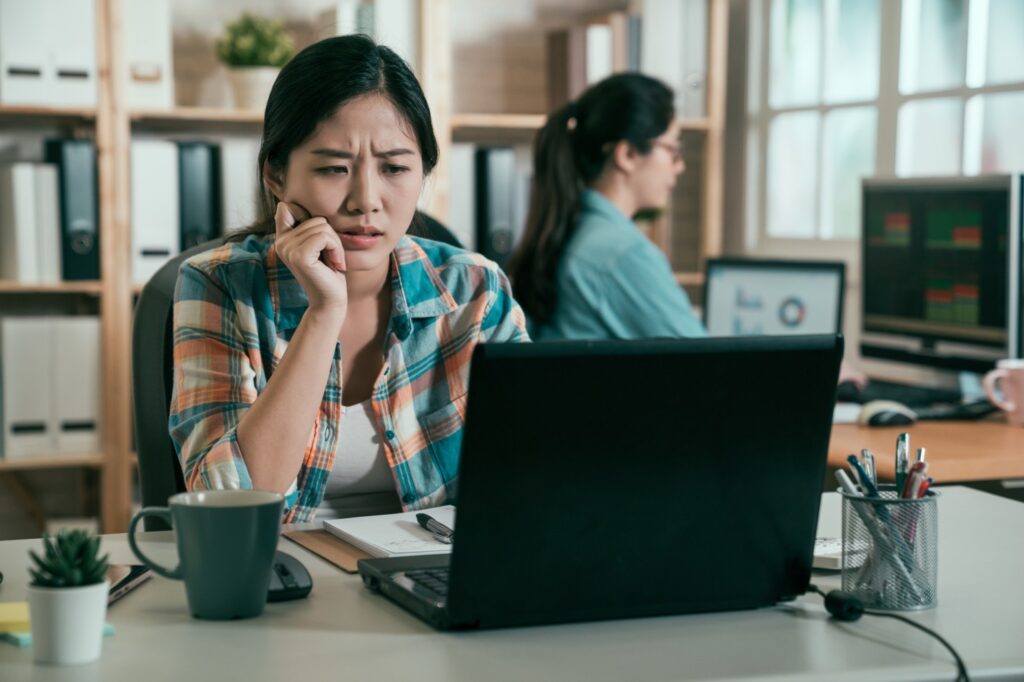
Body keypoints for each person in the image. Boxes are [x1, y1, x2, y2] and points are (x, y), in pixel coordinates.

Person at [168, 35, 528, 523]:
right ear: (276, 174)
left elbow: (533, 475)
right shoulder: (219, 285)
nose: (366, 199)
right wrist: (323, 313)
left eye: (395, 167)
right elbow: (231, 506)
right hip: (283, 577)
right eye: (335, 168)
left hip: (434, 579)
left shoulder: (476, 293)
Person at [508, 73, 706, 341]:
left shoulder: (568, 229)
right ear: (628, 155)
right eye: (672, 148)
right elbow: (709, 366)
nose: (679, 165)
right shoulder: (622, 254)